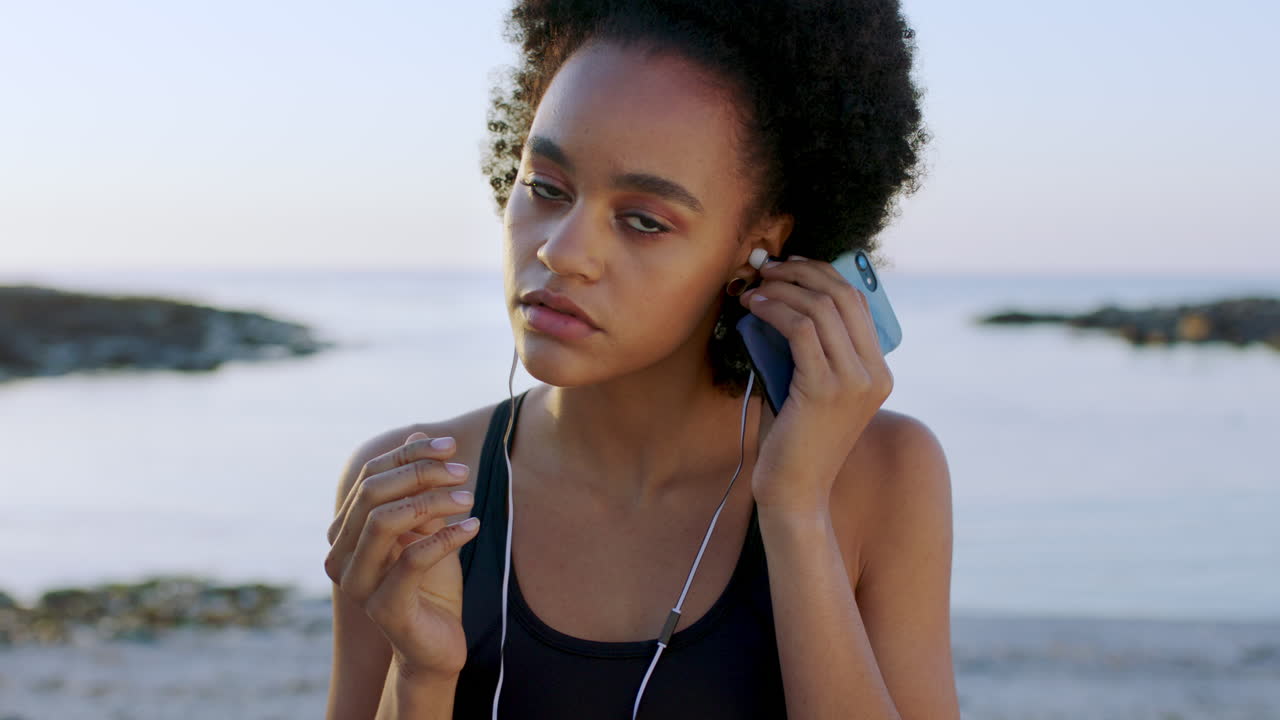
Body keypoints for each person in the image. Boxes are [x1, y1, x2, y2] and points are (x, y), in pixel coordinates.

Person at [325, 0, 957, 717]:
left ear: (761, 248)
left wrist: (796, 508)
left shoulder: (883, 475)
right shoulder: (417, 492)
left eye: (643, 221)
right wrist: (423, 676)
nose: (560, 251)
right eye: (546, 188)